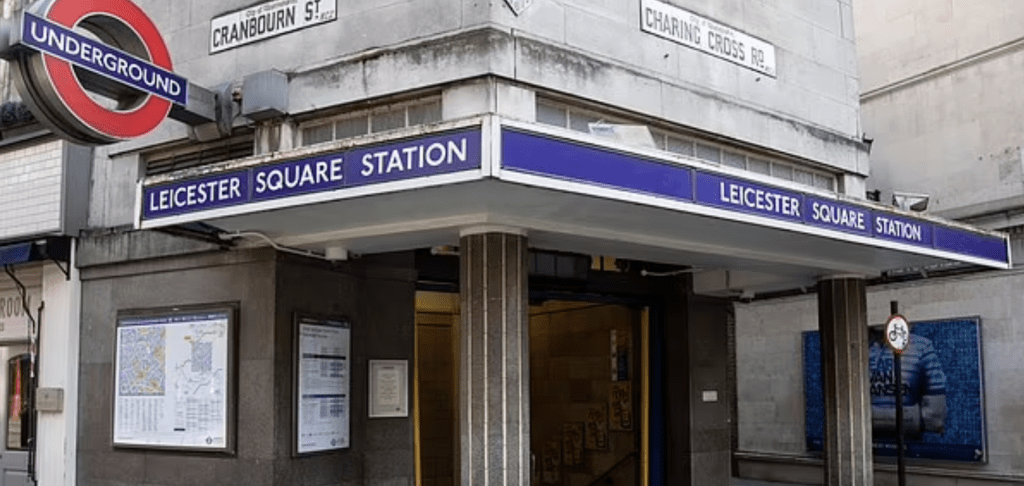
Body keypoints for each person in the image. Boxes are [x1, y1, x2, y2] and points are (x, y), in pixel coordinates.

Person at [868, 328, 947, 438]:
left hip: (911, 449)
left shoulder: (922, 347)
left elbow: (935, 419)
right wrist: (910, 416)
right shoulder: (853, 347)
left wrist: (870, 417)